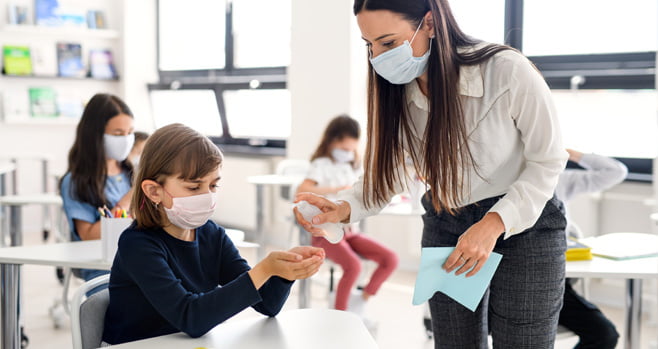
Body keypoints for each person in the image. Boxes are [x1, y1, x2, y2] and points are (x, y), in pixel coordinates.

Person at [294, 0, 569, 347]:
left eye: (388, 43)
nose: (377, 57)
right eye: (370, 45)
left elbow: (547, 160)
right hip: (447, 221)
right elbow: (391, 170)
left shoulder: (506, 69)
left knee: (522, 340)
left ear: (429, 24)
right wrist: (344, 207)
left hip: (525, 225)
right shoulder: (401, 89)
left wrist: (493, 223)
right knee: (454, 341)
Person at [102, 124, 325, 345]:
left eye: (213, 186)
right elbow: (192, 318)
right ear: (154, 191)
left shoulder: (211, 234)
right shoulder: (138, 244)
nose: (207, 196)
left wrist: (284, 270)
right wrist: (263, 269)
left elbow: (267, 304)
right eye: (193, 187)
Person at [296, 115, 398, 320]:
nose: (347, 154)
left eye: (351, 150)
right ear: (332, 141)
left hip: (351, 232)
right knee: (354, 266)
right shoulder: (321, 164)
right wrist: (336, 190)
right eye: (344, 149)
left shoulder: (354, 165)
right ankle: (339, 318)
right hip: (325, 234)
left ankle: (361, 301)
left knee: (390, 259)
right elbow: (302, 189)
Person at [60, 93, 135, 284]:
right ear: (95, 135)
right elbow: (89, 236)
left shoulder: (130, 173)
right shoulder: (76, 182)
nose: (126, 139)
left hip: (138, 259)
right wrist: (125, 202)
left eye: (130, 133)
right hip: (102, 269)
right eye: (118, 134)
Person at [556, 149, 626, 349]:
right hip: (504, 286)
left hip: (558, 286)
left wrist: (571, 153)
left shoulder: (562, 180)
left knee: (605, 335)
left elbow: (616, 171)